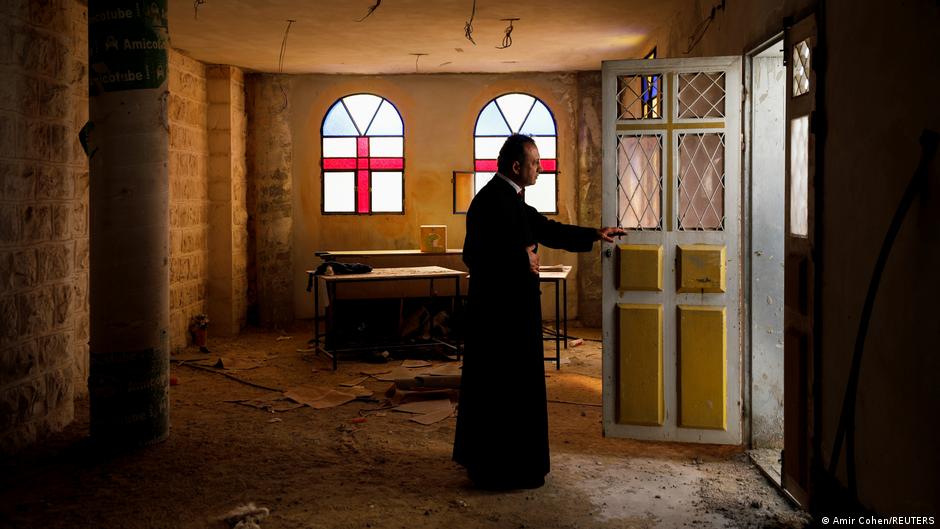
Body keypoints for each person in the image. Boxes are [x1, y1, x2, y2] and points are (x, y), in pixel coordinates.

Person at [453, 133, 625, 489]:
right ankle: (497, 470)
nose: (541, 168)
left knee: (516, 392)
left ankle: (514, 466)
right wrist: (521, 257)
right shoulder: (489, 201)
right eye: (535, 162)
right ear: (517, 166)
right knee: (501, 393)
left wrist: (595, 233)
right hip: (498, 320)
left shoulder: (513, 199)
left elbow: (546, 229)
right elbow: (474, 255)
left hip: (514, 314)